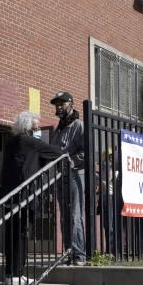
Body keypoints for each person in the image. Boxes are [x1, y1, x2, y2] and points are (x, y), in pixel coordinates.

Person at [0, 111, 64, 285]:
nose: (37, 130)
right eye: (36, 127)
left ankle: (10, 273)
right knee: (21, 235)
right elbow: (58, 153)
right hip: (24, 196)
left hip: (8, 195)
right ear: (29, 128)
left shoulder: (11, 142)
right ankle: (17, 274)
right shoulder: (32, 143)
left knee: (11, 235)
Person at [49, 91, 87, 265]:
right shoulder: (59, 129)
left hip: (74, 175)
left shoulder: (79, 126)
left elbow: (86, 152)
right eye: (56, 104)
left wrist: (70, 160)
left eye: (62, 103)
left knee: (74, 215)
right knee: (64, 216)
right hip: (60, 176)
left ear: (71, 104)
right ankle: (67, 253)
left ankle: (79, 255)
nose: (58, 106)